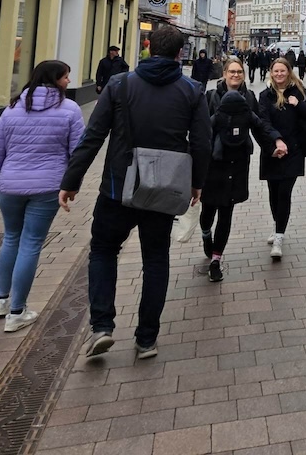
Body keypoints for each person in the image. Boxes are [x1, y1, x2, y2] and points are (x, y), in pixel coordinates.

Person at [60, 25, 211, 360]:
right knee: (156, 259)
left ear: (147, 48)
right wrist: (196, 183)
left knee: (102, 251)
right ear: (179, 53)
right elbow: (202, 142)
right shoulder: (192, 90)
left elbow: (93, 136)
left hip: (117, 187)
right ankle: (146, 340)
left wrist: (71, 181)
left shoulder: (120, 84)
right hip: (164, 190)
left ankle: (102, 326)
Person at [0, 61, 85, 332]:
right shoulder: (69, 109)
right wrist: (72, 185)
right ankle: (17, 311)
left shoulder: (11, 109)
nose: (69, 81)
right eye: (66, 76)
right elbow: (78, 152)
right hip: (47, 186)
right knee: (31, 242)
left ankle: (1, 299)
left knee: (11, 238)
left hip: (9, 185)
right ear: (56, 80)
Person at [201, 58, 287, 282]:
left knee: (227, 211)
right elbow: (201, 130)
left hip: (237, 162)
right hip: (212, 163)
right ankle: (205, 234)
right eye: (232, 71)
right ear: (224, 73)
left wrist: (271, 148)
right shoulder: (210, 96)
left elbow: (257, 128)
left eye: (239, 72)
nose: (236, 75)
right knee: (208, 211)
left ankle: (216, 260)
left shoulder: (249, 98)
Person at [258, 57, 306, 260]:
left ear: (289, 72)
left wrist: (299, 104)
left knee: (284, 192)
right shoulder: (265, 96)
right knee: (273, 193)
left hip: (293, 151)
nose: (279, 75)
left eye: (282, 71)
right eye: (275, 71)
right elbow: (263, 122)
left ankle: (279, 236)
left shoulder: (299, 92)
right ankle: (278, 226)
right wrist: (276, 141)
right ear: (271, 72)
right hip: (273, 151)